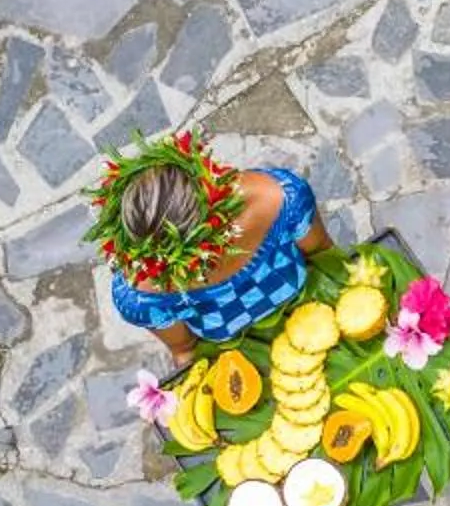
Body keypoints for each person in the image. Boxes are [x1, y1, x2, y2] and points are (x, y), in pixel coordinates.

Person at [93, 130, 331, 363]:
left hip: (315, 307)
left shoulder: (283, 198)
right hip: (238, 357)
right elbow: (185, 350)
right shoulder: (141, 297)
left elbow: (326, 256)